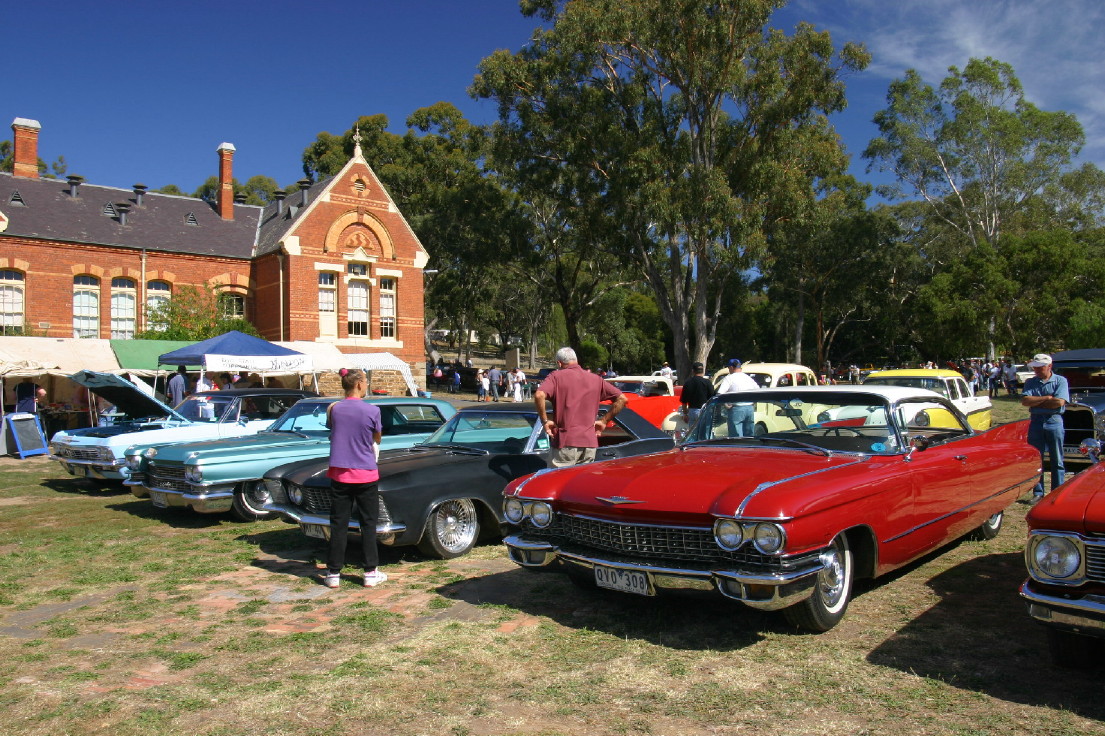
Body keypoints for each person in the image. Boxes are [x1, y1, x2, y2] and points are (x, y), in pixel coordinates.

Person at [323, 369, 387, 588]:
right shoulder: (373, 410)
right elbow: (376, 437)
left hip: (340, 472)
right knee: (368, 523)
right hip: (365, 472)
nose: (367, 385)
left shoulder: (333, 409)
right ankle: (370, 571)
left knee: (338, 523)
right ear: (359, 384)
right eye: (366, 381)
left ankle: (333, 572)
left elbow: (335, 430)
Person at [535, 347, 627, 468]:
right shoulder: (596, 379)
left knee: (557, 483)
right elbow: (623, 399)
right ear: (576, 360)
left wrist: (545, 421)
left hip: (566, 442)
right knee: (579, 483)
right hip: (589, 444)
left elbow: (539, 395)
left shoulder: (556, 377)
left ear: (559, 363)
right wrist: (604, 421)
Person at [1021, 353, 1069, 502]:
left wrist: (1037, 402)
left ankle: (1057, 491)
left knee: (1057, 459)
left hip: (1054, 421)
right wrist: (1047, 398)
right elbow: (1025, 400)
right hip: (1036, 422)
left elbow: (1059, 402)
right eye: (1035, 368)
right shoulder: (1030, 382)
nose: (1036, 370)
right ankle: (1038, 492)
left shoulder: (1060, 381)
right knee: (1037, 458)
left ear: (1049, 366)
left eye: (1040, 368)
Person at [716, 359, 759, 437]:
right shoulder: (747, 378)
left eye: (729, 368)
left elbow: (720, 393)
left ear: (732, 367)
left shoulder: (729, 378)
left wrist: (725, 404)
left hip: (736, 408)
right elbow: (758, 390)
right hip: (749, 408)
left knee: (736, 437)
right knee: (749, 435)